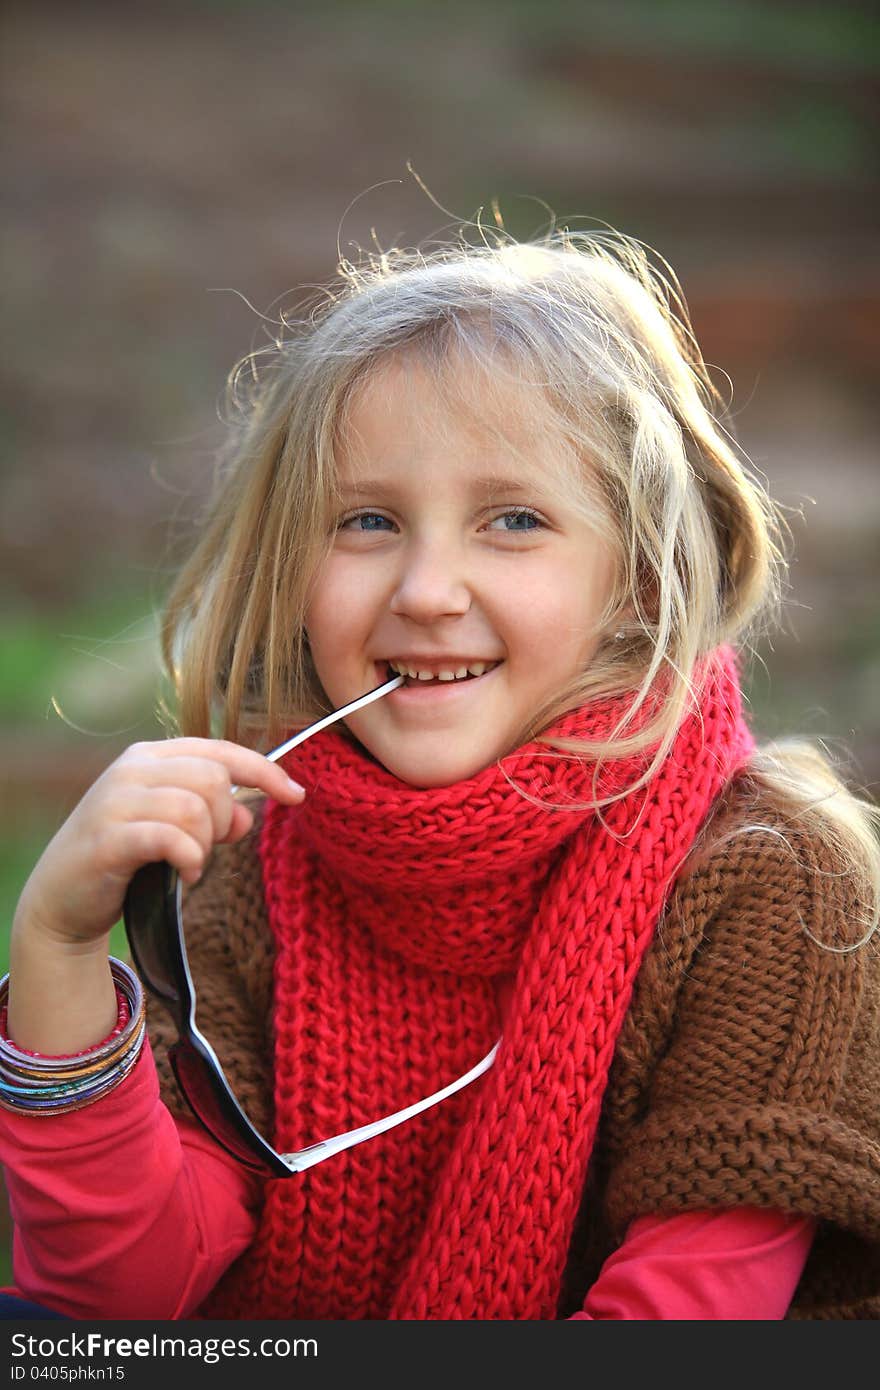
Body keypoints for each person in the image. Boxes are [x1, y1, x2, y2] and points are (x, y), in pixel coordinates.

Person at [1, 229, 878, 1321]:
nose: (425, 588)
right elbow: (120, 1302)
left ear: (643, 580)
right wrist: (59, 955)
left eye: (512, 521)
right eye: (367, 521)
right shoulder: (246, 866)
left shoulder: (776, 880)